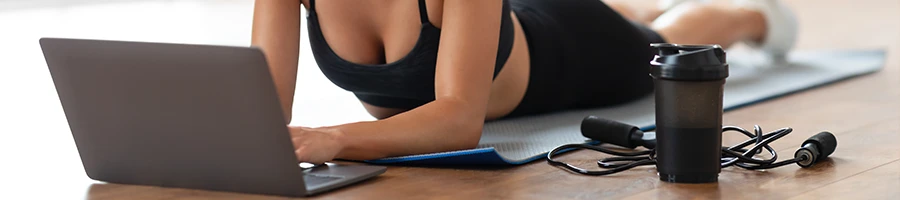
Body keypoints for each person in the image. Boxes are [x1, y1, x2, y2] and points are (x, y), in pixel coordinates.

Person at [250, 0, 797, 163]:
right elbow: (257, 111)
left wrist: (338, 138)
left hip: (573, 46)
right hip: (508, 20)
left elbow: (461, 119)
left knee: (659, 36)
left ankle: (750, 15)